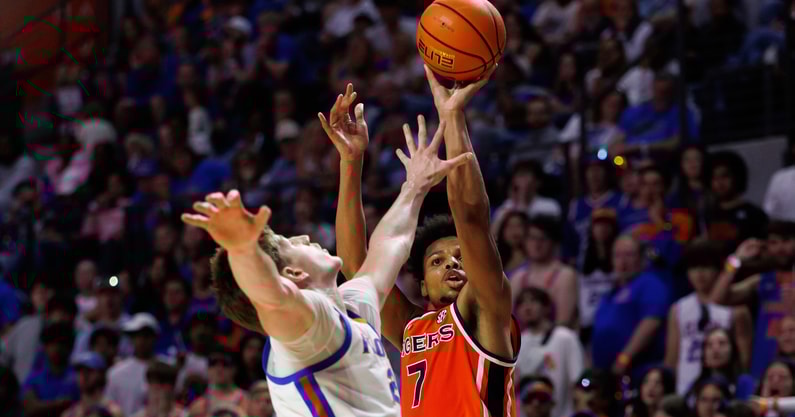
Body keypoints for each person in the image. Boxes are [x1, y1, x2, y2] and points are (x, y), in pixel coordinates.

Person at [183, 96, 471, 416]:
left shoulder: (349, 304)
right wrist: (241, 250)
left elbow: (389, 244)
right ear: (294, 276)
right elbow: (270, 297)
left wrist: (410, 184)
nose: (305, 237)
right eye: (292, 242)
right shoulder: (305, 330)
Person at [329, 68, 519, 417]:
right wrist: (351, 161)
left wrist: (452, 119)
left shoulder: (486, 307)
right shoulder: (411, 328)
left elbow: (472, 220)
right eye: (437, 260)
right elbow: (356, 266)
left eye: (460, 256)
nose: (452, 263)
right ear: (421, 285)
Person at [664, 240, 752, 395]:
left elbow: (745, 361)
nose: (699, 274)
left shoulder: (736, 310)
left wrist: (735, 261)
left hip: (725, 389)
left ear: (717, 270)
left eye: (705, 267)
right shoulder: (678, 308)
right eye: (694, 268)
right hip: (686, 389)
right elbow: (672, 358)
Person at [709, 222, 795, 378]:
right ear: (766, 247)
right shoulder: (761, 281)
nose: (780, 248)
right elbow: (717, 299)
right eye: (774, 242)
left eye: (786, 241)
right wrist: (735, 260)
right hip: (763, 367)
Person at [591, 235, 671, 379]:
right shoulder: (610, 292)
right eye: (617, 255)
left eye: (629, 255)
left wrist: (624, 358)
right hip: (605, 374)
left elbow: (651, 322)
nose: (623, 261)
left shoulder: (649, 283)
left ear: (641, 258)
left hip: (637, 372)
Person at [515, 287, 583, 417]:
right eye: (522, 303)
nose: (527, 307)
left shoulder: (565, 337)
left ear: (547, 307)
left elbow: (577, 382)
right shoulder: (517, 342)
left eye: (533, 301)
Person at [511, 215, 578, 327]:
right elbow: (509, 322)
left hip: (552, 342)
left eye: (543, 239)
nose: (536, 244)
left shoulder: (565, 275)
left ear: (554, 243)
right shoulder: (518, 277)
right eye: (532, 238)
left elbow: (563, 324)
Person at [705, 151, 769, 251]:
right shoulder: (706, 215)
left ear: (737, 177)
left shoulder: (754, 214)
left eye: (724, 176)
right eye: (714, 178)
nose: (719, 182)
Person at [104, 312, 161, 417]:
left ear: (154, 337)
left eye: (146, 336)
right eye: (137, 336)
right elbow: (109, 406)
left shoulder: (166, 369)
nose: (142, 340)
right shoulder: (116, 373)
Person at [22, 321, 80, 417]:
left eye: (62, 343)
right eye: (52, 343)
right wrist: (59, 404)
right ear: (45, 347)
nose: (57, 348)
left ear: (70, 347)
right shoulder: (33, 378)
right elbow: (30, 409)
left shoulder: (78, 376)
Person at [186, 349, 248, 417]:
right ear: (208, 369)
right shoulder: (200, 401)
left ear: (234, 369)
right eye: (213, 363)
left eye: (225, 364)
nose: (219, 368)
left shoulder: (244, 399)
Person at [61, 352, 122, 417]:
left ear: (101, 374)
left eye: (89, 371)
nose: (84, 375)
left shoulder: (113, 412)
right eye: (80, 371)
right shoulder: (69, 414)